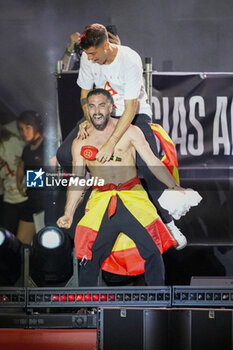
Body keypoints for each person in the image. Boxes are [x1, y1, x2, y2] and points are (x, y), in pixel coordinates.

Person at [57, 23, 187, 249]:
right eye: (87, 54)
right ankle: (90, 181)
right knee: (63, 154)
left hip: (132, 115)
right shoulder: (89, 58)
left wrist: (110, 143)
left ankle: (168, 222)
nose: (90, 58)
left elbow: (129, 109)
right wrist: (88, 119)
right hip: (102, 114)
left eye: (93, 54)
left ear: (107, 45)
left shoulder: (129, 60)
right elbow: (85, 93)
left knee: (148, 168)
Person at [57, 89, 196, 286]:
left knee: (152, 251)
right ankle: (86, 308)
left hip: (133, 197)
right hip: (102, 201)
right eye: (92, 106)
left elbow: (152, 161)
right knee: (90, 257)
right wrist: (69, 213)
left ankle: (157, 306)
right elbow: (78, 179)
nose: (96, 111)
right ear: (87, 110)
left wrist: (174, 186)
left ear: (112, 107)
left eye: (101, 105)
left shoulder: (131, 131)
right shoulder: (81, 142)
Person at [16, 110, 56, 244]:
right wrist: (19, 182)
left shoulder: (49, 145)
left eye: (27, 127)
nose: (24, 132)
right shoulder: (27, 149)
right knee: (21, 242)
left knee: (45, 243)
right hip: (32, 200)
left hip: (47, 203)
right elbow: (21, 166)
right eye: (21, 129)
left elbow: (54, 173)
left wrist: (32, 179)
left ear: (36, 126)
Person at [0, 124, 28, 235]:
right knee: (7, 235)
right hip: (9, 198)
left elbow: (29, 162)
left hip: (25, 196)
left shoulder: (13, 141)